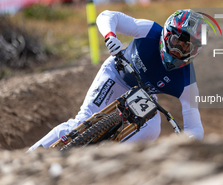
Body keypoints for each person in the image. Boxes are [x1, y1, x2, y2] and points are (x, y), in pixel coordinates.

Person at [28, 9, 206, 151]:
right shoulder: (150, 31)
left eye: (187, 47)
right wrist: (110, 36)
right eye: (176, 41)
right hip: (116, 74)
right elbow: (107, 16)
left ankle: (107, 156)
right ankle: (31, 156)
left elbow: (195, 127)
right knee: (80, 124)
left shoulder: (187, 82)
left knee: (153, 130)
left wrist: (189, 146)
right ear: (166, 35)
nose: (178, 51)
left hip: (144, 96)